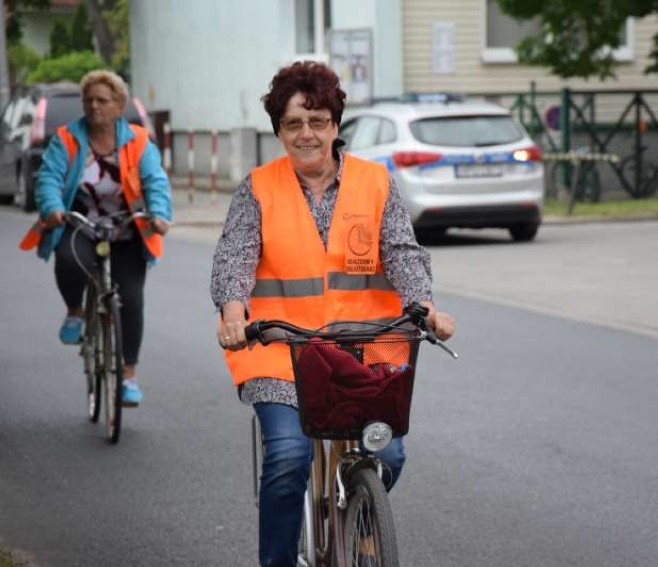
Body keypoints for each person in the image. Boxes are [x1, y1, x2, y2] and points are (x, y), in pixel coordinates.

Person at [210, 61, 455, 567]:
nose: (306, 134)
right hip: (280, 349)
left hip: (370, 343)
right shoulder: (257, 189)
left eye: (317, 121)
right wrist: (234, 314)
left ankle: (364, 526)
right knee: (287, 458)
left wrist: (425, 307)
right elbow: (235, 257)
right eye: (294, 123)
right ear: (279, 130)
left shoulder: (375, 183)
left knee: (387, 453)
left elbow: (403, 254)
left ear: (335, 125)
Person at [19, 69, 172, 407]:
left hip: (127, 227)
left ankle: (128, 377)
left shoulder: (138, 140)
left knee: (131, 299)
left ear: (119, 105)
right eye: (88, 100)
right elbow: (48, 178)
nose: (94, 106)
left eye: (102, 100)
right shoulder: (67, 139)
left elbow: (155, 181)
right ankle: (75, 310)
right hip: (79, 223)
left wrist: (159, 214)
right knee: (71, 261)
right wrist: (52, 207)